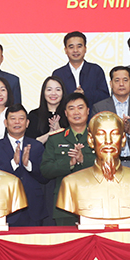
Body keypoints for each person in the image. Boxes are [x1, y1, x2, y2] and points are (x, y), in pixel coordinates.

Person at [56, 112, 130, 220]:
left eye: (114, 134)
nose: (108, 141)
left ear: (123, 139)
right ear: (91, 140)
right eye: (101, 134)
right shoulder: (71, 184)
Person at [0, 106, 48, 226]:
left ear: (27, 123)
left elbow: (45, 177)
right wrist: (13, 164)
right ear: (5, 123)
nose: (17, 122)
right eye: (13, 118)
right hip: (6, 208)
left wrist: (28, 165)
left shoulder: (37, 146)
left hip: (33, 208)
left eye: (21, 118)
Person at [40, 93, 96, 225]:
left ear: (88, 111)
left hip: (93, 201)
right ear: (65, 113)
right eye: (71, 108)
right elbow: (45, 169)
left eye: (80, 107)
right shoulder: (55, 139)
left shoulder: (98, 137)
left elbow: (107, 164)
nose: (76, 112)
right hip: (64, 203)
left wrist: (83, 159)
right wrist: (69, 163)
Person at [92, 66, 130, 166]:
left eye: (125, 80)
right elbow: (96, 138)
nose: (121, 84)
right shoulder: (99, 108)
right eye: (117, 80)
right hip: (109, 163)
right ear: (111, 84)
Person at [52, 31, 109, 107]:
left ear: (85, 49)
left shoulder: (95, 70)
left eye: (79, 46)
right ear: (65, 50)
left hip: (92, 113)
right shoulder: (58, 74)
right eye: (71, 47)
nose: (75, 50)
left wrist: (85, 94)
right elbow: (54, 98)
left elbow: (105, 96)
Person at [26, 76, 68, 144]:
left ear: (63, 93)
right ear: (43, 92)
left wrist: (59, 130)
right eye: (49, 90)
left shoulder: (69, 115)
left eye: (58, 90)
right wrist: (50, 134)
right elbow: (30, 144)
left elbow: (74, 143)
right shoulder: (34, 115)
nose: (53, 93)